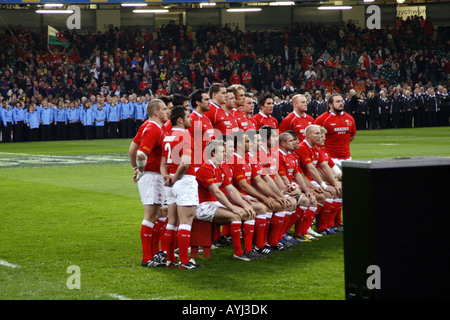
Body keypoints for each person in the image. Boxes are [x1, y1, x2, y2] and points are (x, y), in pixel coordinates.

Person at [195, 139, 257, 261]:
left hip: (213, 204)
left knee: (249, 214)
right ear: (213, 153)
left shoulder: (220, 167)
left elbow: (231, 189)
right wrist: (232, 207)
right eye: (222, 151)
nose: (225, 154)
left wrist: (244, 205)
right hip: (202, 206)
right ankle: (238, 253)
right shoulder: (206, 168)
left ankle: (248, 250)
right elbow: (217, 192)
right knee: (235, 216)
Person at [129, 99, 169, 267]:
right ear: (156, 112)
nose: (167, 111)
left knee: (160, 214)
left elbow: (132, 149)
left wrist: (137, 169)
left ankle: (154, 253)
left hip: (152, 175)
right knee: (151, 216)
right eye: (164, 109)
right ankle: (147, 258)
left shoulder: (146, 125)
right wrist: (141, 169)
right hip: (152, 176)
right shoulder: (153, 128)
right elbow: (140, 154)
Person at [160, 106, 202, 269]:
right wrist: (175, 178)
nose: (190, 119)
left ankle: (170, 259)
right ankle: (184, 261)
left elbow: (163, 163)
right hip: (183, 180)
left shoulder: (168, 136)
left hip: (170, 182)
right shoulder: (185, 135)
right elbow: (185, 162)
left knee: (172, 222)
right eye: (188, 117)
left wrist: (167, 177)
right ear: (180, 120)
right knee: (185, 221)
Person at [296, 125, 336, 235]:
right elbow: (309, 169)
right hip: (302, 182)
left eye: (320, 133)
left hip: (309, 181)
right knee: (323, 196)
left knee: (335, 190)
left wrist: (333, 183)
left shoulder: (316, 148)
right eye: (317, 134)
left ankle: (329, 224)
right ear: (308, 135)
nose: (320, 136)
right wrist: (323, 185)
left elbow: (324, 165)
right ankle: (307, 228)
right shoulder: (303, 147)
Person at [314, 93, 356, 168]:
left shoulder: (349, 118)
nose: (341, 103)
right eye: (338, 102)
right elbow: (314, 139)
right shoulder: (322, 119)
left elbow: (352, 136)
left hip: (347, 157)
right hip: (329, 158)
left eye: (342, 101)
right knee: (330, 180)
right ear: (330, 105)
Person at [187, 89, 214, 170]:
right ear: (198, 102)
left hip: (208, 162)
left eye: (209, 99)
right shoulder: (192, 119)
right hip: (198, 165)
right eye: (206, 99)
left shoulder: (206, 118)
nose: (209, 102)